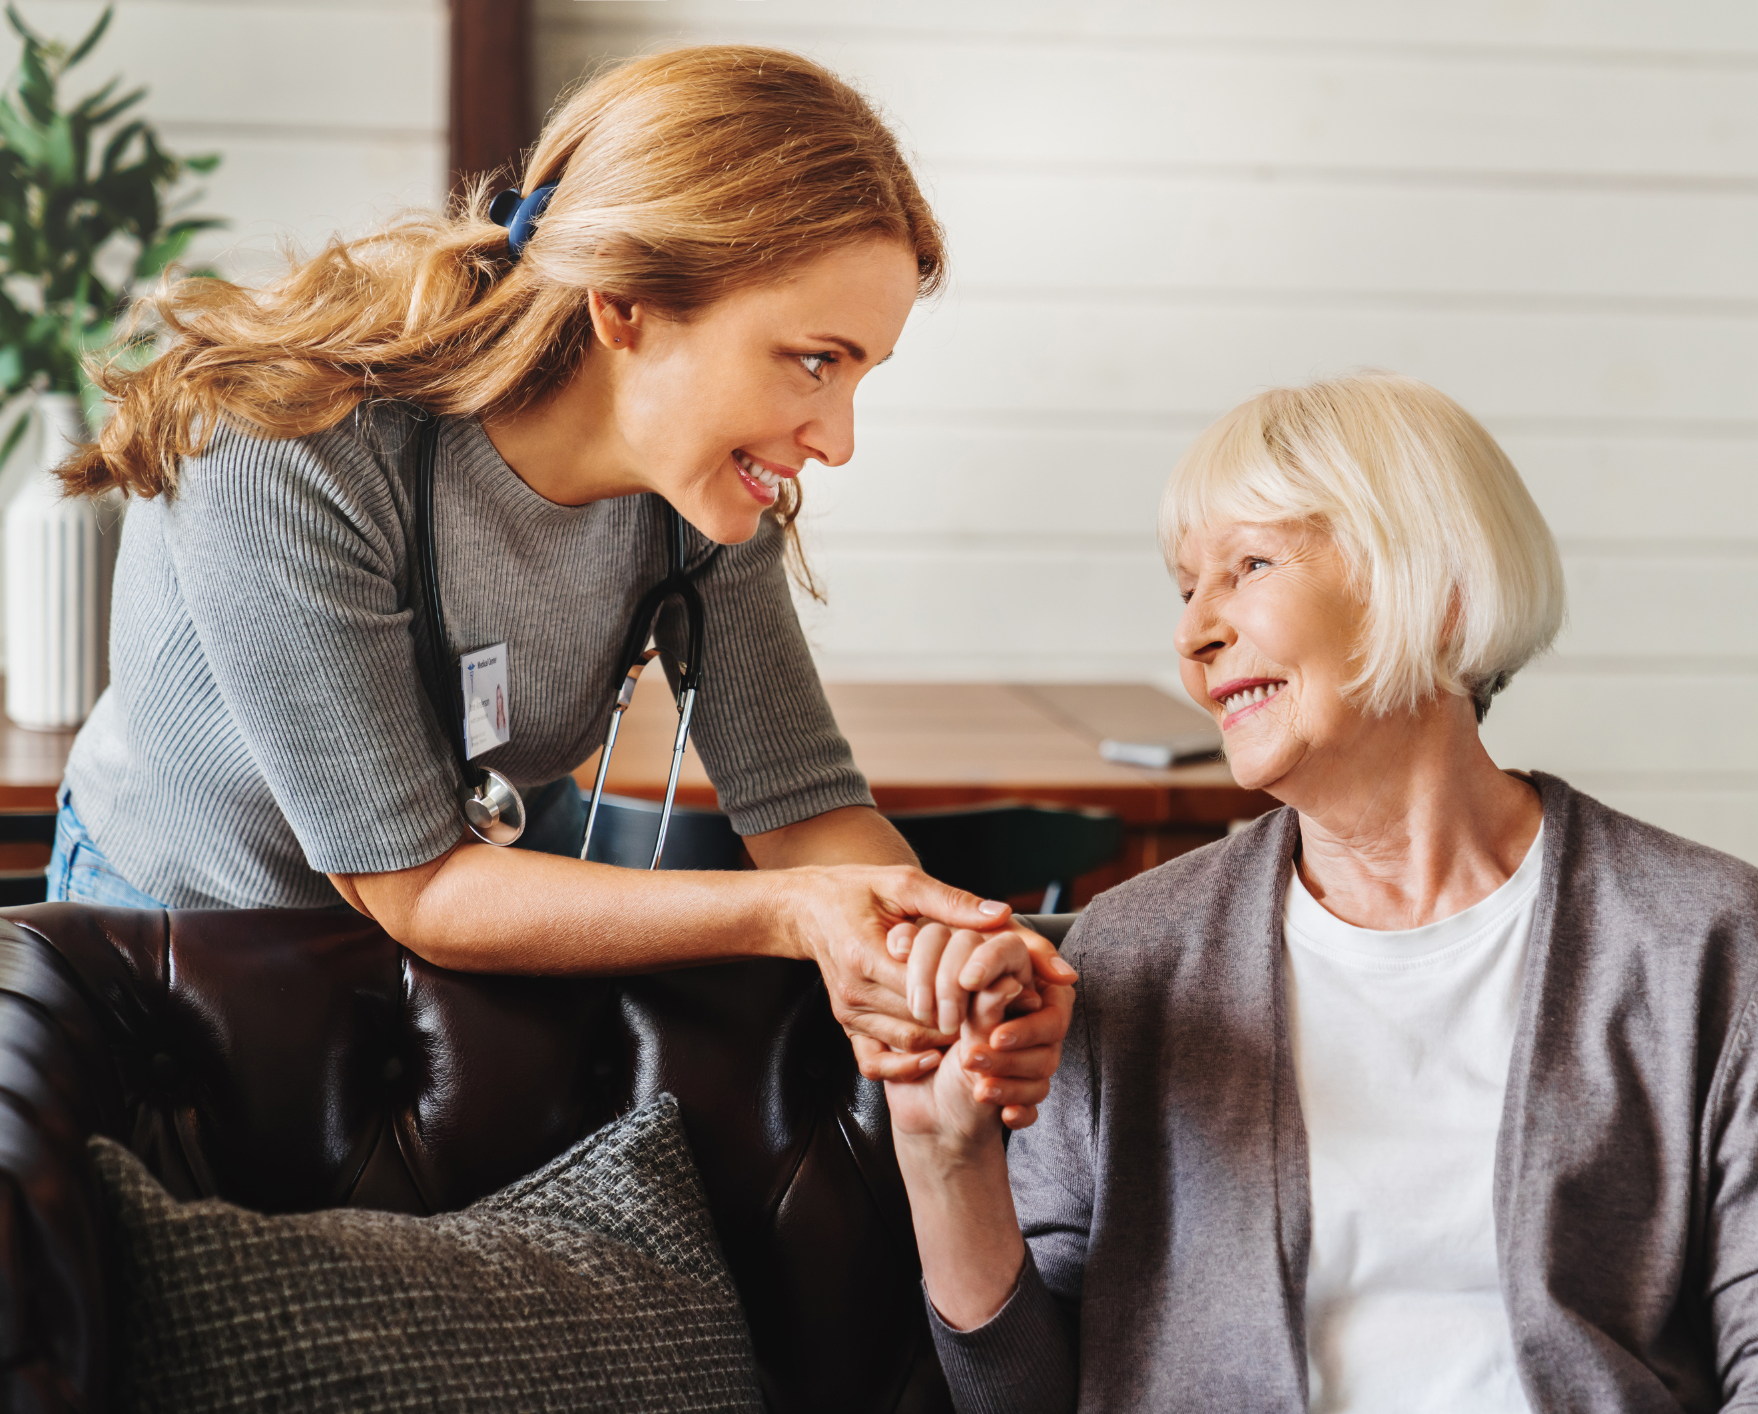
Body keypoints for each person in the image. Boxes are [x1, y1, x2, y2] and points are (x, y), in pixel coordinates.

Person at [47, 44, 1072, 1104]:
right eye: (814, 360)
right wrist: (790, 914)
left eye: (862, 372)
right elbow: (416, 885)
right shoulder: (285, 446)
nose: (840, 439)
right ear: (623, 304)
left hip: (447, 954)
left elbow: (806, 808)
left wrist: (949, 963)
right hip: (177, 943)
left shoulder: (701, 495)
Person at [881, 372, 1758, 1413]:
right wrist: (945, 1157)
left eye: (1249, 566)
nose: (1193, 635)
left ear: (1436, 585)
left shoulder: (1702, 933)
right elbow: (1023, 1400)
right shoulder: (1132, 949)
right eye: (1185, 587)